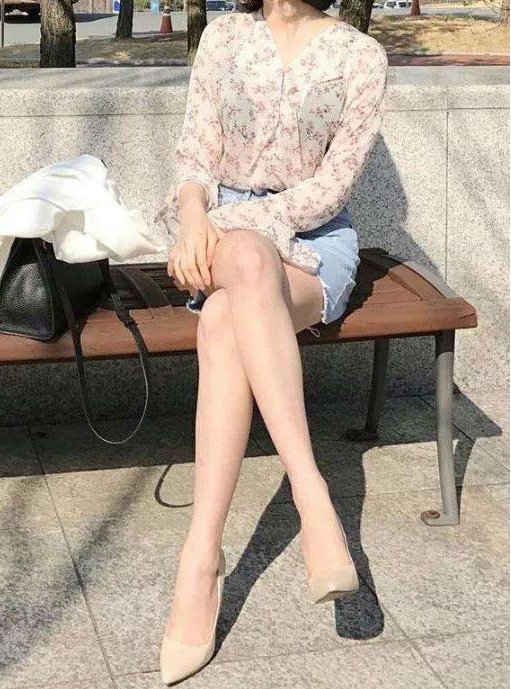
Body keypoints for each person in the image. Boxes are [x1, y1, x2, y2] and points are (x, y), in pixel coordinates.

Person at [155, 0, 388, 683]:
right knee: (245, 261)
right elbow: (195, 153)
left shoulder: (360, 56)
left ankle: (201, 559)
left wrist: (237, 224)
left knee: (223, 319)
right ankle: (314, 497)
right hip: (217, 238)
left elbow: (332, 188)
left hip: (315, 246)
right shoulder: (225, 35)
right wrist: (195, 218)